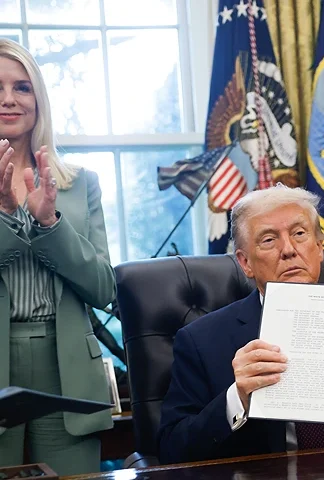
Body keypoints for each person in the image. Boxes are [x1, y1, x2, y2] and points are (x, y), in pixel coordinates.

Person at [157, 186, 324, 464]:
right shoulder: (201, 341)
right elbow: (171, 450)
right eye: (269, 240)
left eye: (299, 234)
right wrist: (238, 398)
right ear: (245, 262)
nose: (288, 250)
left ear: (319, 248)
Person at [0, 39, 116, 475]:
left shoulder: (80, 183)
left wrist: (50, 225)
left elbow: (103, 289)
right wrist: (7, 216)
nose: (9, 99)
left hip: (67, 365)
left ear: (39, 101)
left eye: (23, 87)